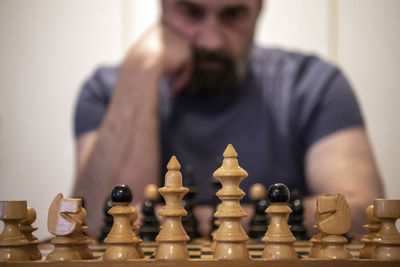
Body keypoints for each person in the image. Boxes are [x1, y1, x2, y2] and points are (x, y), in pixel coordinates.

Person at [73, 0, 383, 237]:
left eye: (232, 14)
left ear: (259, 8)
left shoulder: (313, 83)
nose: (212, 42)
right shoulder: (107, 91)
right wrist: (140, 72)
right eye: (190, 11)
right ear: (163, 6)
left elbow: (361, 211)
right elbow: (99, 225)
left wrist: (224, 218)